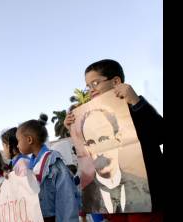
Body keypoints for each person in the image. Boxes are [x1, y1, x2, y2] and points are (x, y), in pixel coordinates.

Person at [65, 59, 163, 221]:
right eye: (88, 86)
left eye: (95, 83)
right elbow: (86, 156)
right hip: (114, 203)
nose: (91, 90)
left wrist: (137, 103)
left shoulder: (134, 105)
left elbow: (160, 133)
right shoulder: (93, 119)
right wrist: (72, 129)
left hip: (147, 197)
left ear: (116, 81)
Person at [16, 114, 79, 222]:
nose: (17, 145)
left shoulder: (53, 161)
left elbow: (66, 199)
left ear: (29, 139)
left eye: (18, 141)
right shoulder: (29, 164)